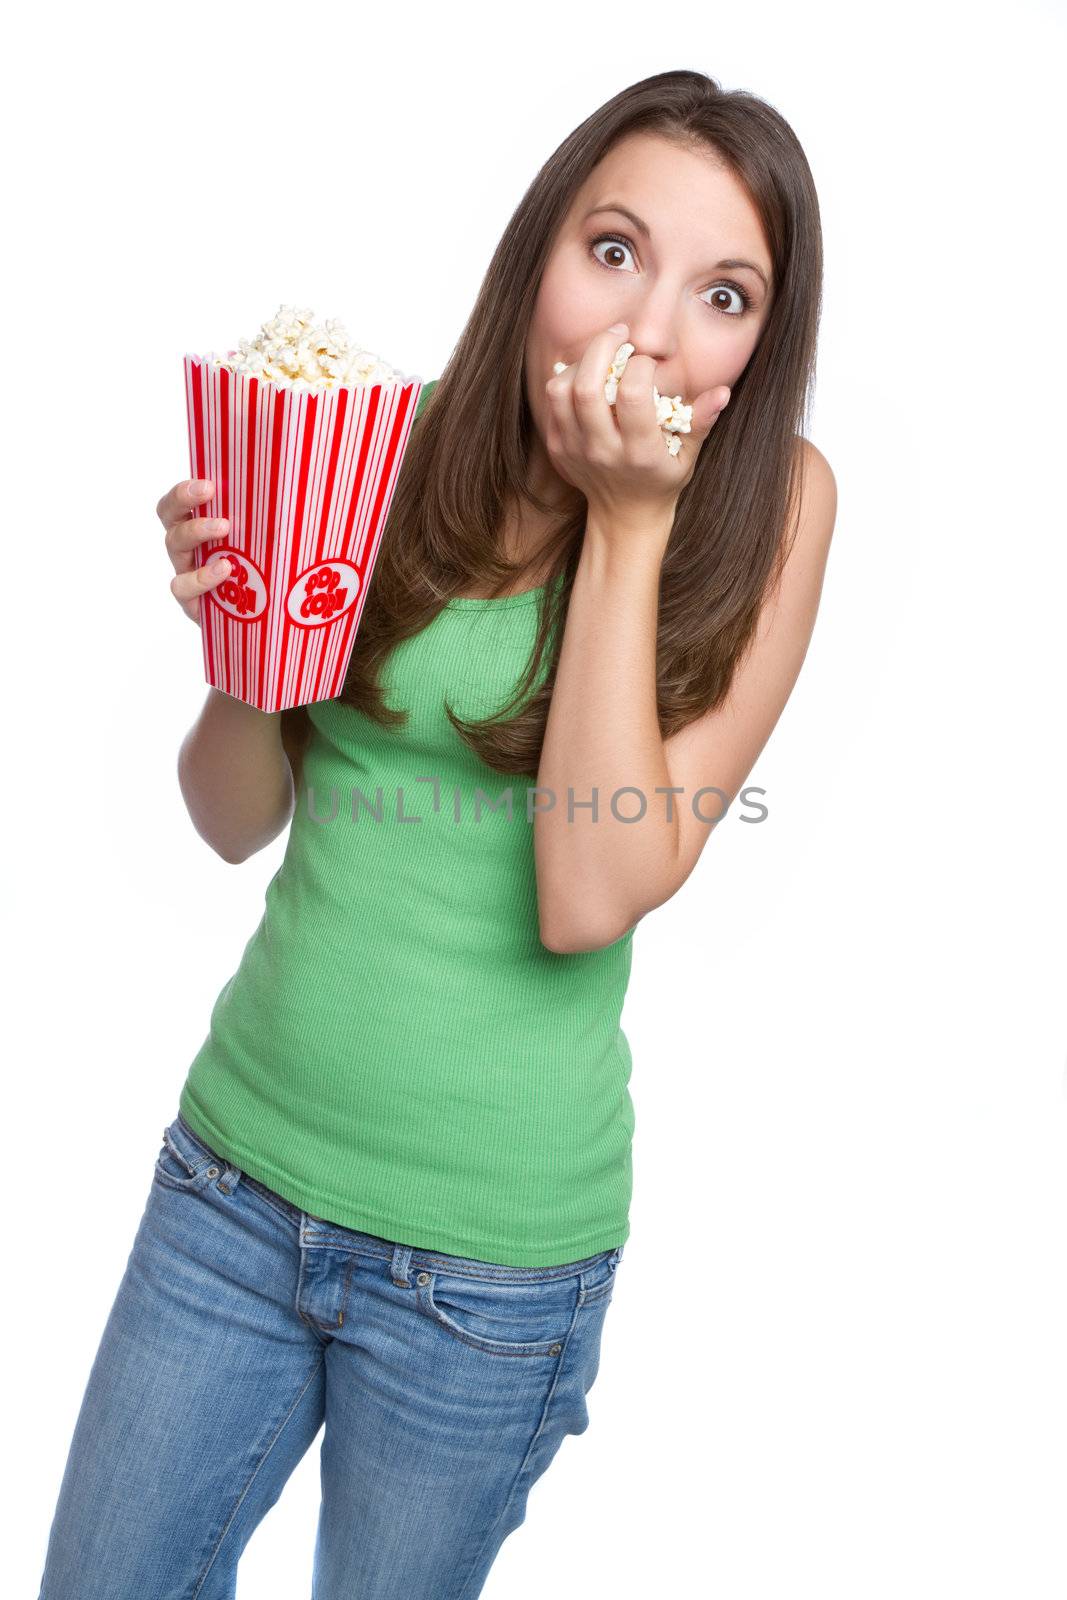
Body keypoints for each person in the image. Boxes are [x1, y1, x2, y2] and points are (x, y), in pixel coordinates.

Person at [36, 68, 837, 1600]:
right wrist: (242, 653)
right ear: (539, 251)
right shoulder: (377, 450)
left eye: (721, 292)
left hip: (484, 1276)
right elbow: (227, 823)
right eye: (614, 250)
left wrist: (630, 518)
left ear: (763, 341)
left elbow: (593, 889)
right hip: (230, 1190)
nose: (649, 326)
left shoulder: (776, 513)